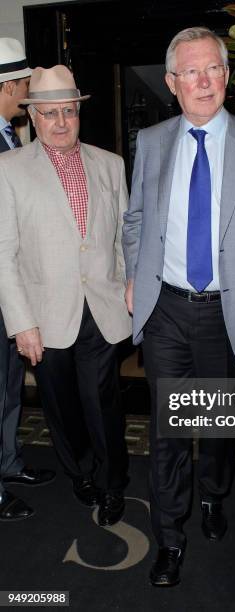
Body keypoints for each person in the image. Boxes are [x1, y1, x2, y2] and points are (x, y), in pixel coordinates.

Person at [122, 26, 235, 586]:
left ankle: (214, 495)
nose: (204, 81)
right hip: (167, 311)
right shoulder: (151, 143)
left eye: (213, 69)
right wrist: (134, 276)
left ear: (228, 76)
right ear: (172, 83)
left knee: (219, 426)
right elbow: (136, 221)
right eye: (190, 72)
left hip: (232, 314)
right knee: (169, 433)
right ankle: (169, 537)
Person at [0, 65, 132, 527]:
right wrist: (21, 323)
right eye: (50, 113)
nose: (60, 122)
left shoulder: (110, 164)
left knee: (103, 401)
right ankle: (79, 471)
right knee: (60, 405)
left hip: (102, 307)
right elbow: (3, 254)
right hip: (44, 314)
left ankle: (115, 481)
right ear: (32, 117)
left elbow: (123, 237)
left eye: (69, 112)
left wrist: (128, 283)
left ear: (79, 112)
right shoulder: (8, 170)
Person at [0, 38, 55, 522]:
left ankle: (9, 464)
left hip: (9, 299)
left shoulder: (9, 136)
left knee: (10, 387)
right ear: (9, 85)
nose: (26, 94)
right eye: (23, 84)